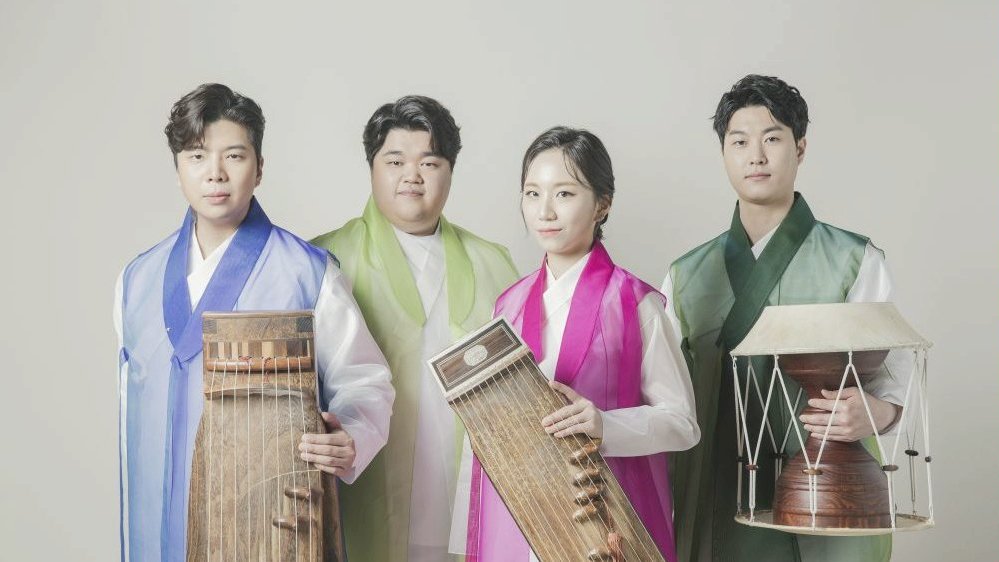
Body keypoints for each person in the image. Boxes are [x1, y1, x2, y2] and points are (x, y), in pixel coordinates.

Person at [114, 83, 395, 562]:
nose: (215, 174)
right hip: (154, 522)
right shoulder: (136, 280)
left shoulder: (306, 273)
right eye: (197, 156)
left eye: (235, 156)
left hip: (266, 524)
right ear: (178, 168)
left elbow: (366, 381)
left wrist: (349, 436)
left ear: (260, 168)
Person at [664, 74, 908, 562]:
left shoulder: (854, 259)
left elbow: (895, 379)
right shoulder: (687, 276)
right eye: (740, 142)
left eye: (772, 139)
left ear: (800, 147)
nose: (756, 156)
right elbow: (665, 400)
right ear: (724, 154)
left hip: (830, 493)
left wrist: (878, 413)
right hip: (718, 493)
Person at [462, 126, 700, 561]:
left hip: (606, 519)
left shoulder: (635, 304)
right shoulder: (508, 305)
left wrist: (605, 426)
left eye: (565, 194)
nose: (545, 211)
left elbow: (682, 423)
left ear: (602, 204)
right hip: (523, 516)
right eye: (532, 194)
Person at [310, 95, 520, 562]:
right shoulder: (324, 259)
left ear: (450, 170)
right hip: (367, 481)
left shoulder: (494, 262)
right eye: (395, 160)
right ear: (372, 167)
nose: (413, 175)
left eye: (430, 161)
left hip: (466, 487)